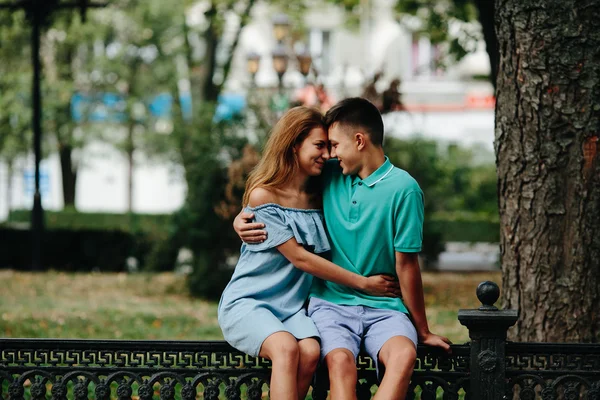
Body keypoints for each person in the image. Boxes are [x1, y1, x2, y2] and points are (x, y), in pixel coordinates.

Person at [234, 98, 451, 400]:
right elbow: (279, 191)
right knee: (338, 361)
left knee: (403, 357)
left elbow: (407, 265)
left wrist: (423, 330)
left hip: (385, 307)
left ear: (359, 141)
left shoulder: (404, 189)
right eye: (325, 147)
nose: (329, 154)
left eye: (334, 145)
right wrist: (241, 218)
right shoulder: (330, 173)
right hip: (330, 303)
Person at [218, 106, 402, 400]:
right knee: (286, 348)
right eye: (319, 145)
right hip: (251, 302)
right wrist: (364, 283)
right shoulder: (265, 194)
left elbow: (360, 166)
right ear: (293, 146)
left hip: (291, 308)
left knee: (310, 350)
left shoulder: (323, 190)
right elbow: (300, 258)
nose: (328, 154)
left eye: (330, 146)